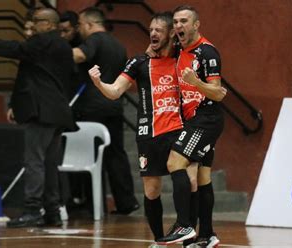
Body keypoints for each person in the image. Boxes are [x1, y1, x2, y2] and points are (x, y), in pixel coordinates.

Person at [89, 11, 199, 246]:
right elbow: (115, 92)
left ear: (171, 33)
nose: (152, 34)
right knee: (151, 190)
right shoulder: (139, 62)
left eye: (158, 30)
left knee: (188, 177)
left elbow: (195, 40)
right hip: (148, 133)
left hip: (178, 128)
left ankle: (187, 230)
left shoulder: (184, 58)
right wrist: (99, 83)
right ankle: (159, 240)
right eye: (150, 30)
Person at [0, 8, 76, 228]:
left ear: (50, 25)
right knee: (49, 163)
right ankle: (52, 212)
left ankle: (32, 210)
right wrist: (15, 104)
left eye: (37, 21)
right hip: (58, 112)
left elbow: (13, 48)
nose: (33, 25)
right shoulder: (62, 46)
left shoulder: (43, 42)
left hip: (43, 112)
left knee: (34, 161)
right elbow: (34, 77)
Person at [156, 5, 226, 247]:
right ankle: (206, 234)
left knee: (175, 162)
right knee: (202, 176)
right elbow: (153, 49)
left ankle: (185, 225)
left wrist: (196, 82)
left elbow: (218, 94)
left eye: (184, 21)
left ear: (196, 25)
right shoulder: (178, 48)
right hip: (194, 119)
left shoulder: (207, 53)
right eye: (175, 22)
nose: (178, 26)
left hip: (206, 118)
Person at [72, 6, 139, 215]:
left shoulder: (94, 40)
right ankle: (126, 202)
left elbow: (80, 56)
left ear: (90, 24)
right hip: (114, 104)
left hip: (92, 106)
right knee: (115, 154)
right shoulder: (118, 44)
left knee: (90, 157)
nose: (78, 29)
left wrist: (52, 49)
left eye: (80, 25)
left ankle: (93, 205)